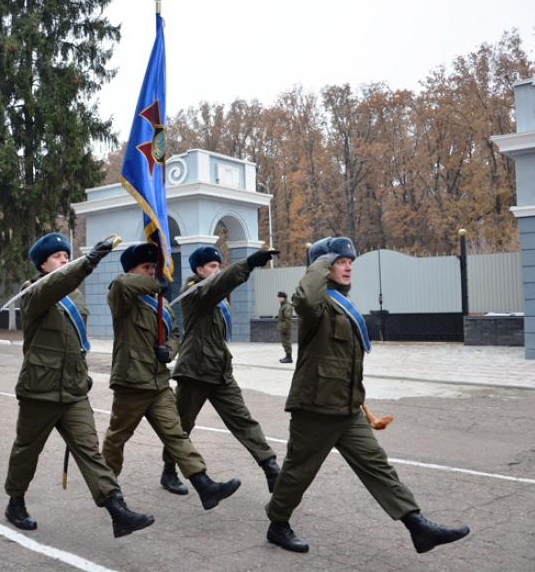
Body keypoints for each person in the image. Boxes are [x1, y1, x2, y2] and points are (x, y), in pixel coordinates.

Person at [265, 236, 470, 554]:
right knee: (297, 472)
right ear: (323, 267)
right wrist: (320, 260)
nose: (348, 267)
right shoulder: (317, 306)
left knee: (378, 465)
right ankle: (277, 524)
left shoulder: (343, 305)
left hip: (347, 409)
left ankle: (417, 526)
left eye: (350, 262)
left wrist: (358, 401)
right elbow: (304, 298)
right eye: (340, 261)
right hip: (316, 408)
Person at [3, 233, 154, 538]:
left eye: (65, 255)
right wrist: (87, 262)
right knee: (26, 450)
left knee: (90, 452)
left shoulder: (75, 297)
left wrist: (82, 373)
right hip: (40, 389)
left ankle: (116, 509)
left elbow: (75, 343)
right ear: (43, 264)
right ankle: (15, 501)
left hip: (73, 390)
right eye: (57, 257)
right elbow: (53, 286)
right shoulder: (31, 292)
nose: (64, 260)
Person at [102, 242, 241, 511]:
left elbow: (176, 333)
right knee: (117, 438)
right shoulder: (122, 295)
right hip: (131, 381)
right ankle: (109, 493)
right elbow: (122, 284)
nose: (152, 272)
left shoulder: (161, 303)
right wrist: (154, 284)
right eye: (146, 267)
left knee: (176, 434)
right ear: (131, 270)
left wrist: (170, 350)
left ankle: (204, 485)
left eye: (154, 267)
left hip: (158, 381)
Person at [159, 246, 282, 496]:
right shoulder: (193, 292)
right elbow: (219, 285)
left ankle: (271, 468)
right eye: (212, 267)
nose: (217, 270)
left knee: (243, 420)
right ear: (199, 270)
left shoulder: (216, 294)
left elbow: (222, 286)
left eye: (218, 266)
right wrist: (248, 263)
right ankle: (169, 470)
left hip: (220, 370)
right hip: (195, 370)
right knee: (182, 425)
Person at [277, 291, 293, 364]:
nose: (278, 299)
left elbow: (287, 318)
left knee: (286, 342)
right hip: (283, 327)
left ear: (284, 298)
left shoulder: (287, 306)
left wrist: (285, 328)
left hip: (286, 327)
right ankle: (287, 356)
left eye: (280, 297)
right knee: (284, 342)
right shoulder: (283, 305)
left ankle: (289, 357)